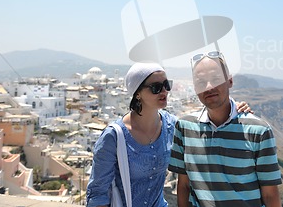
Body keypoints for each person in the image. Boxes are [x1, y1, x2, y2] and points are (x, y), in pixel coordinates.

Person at [87, 62, 252, 207]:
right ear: (137, 93)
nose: (164, 91)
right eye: (156, 87)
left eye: (166, 84)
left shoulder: (171, 126)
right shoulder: (114, 137)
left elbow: (203, 124)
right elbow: (97, 193)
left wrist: (233, 107)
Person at [168, 51, 282, 207]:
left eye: (216, 79)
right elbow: (184, 186)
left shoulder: (259, 131)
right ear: (194, 87)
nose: (209, 87)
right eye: (201, 82)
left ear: (230, 81)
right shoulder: (184, 127)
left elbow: (270, 195)